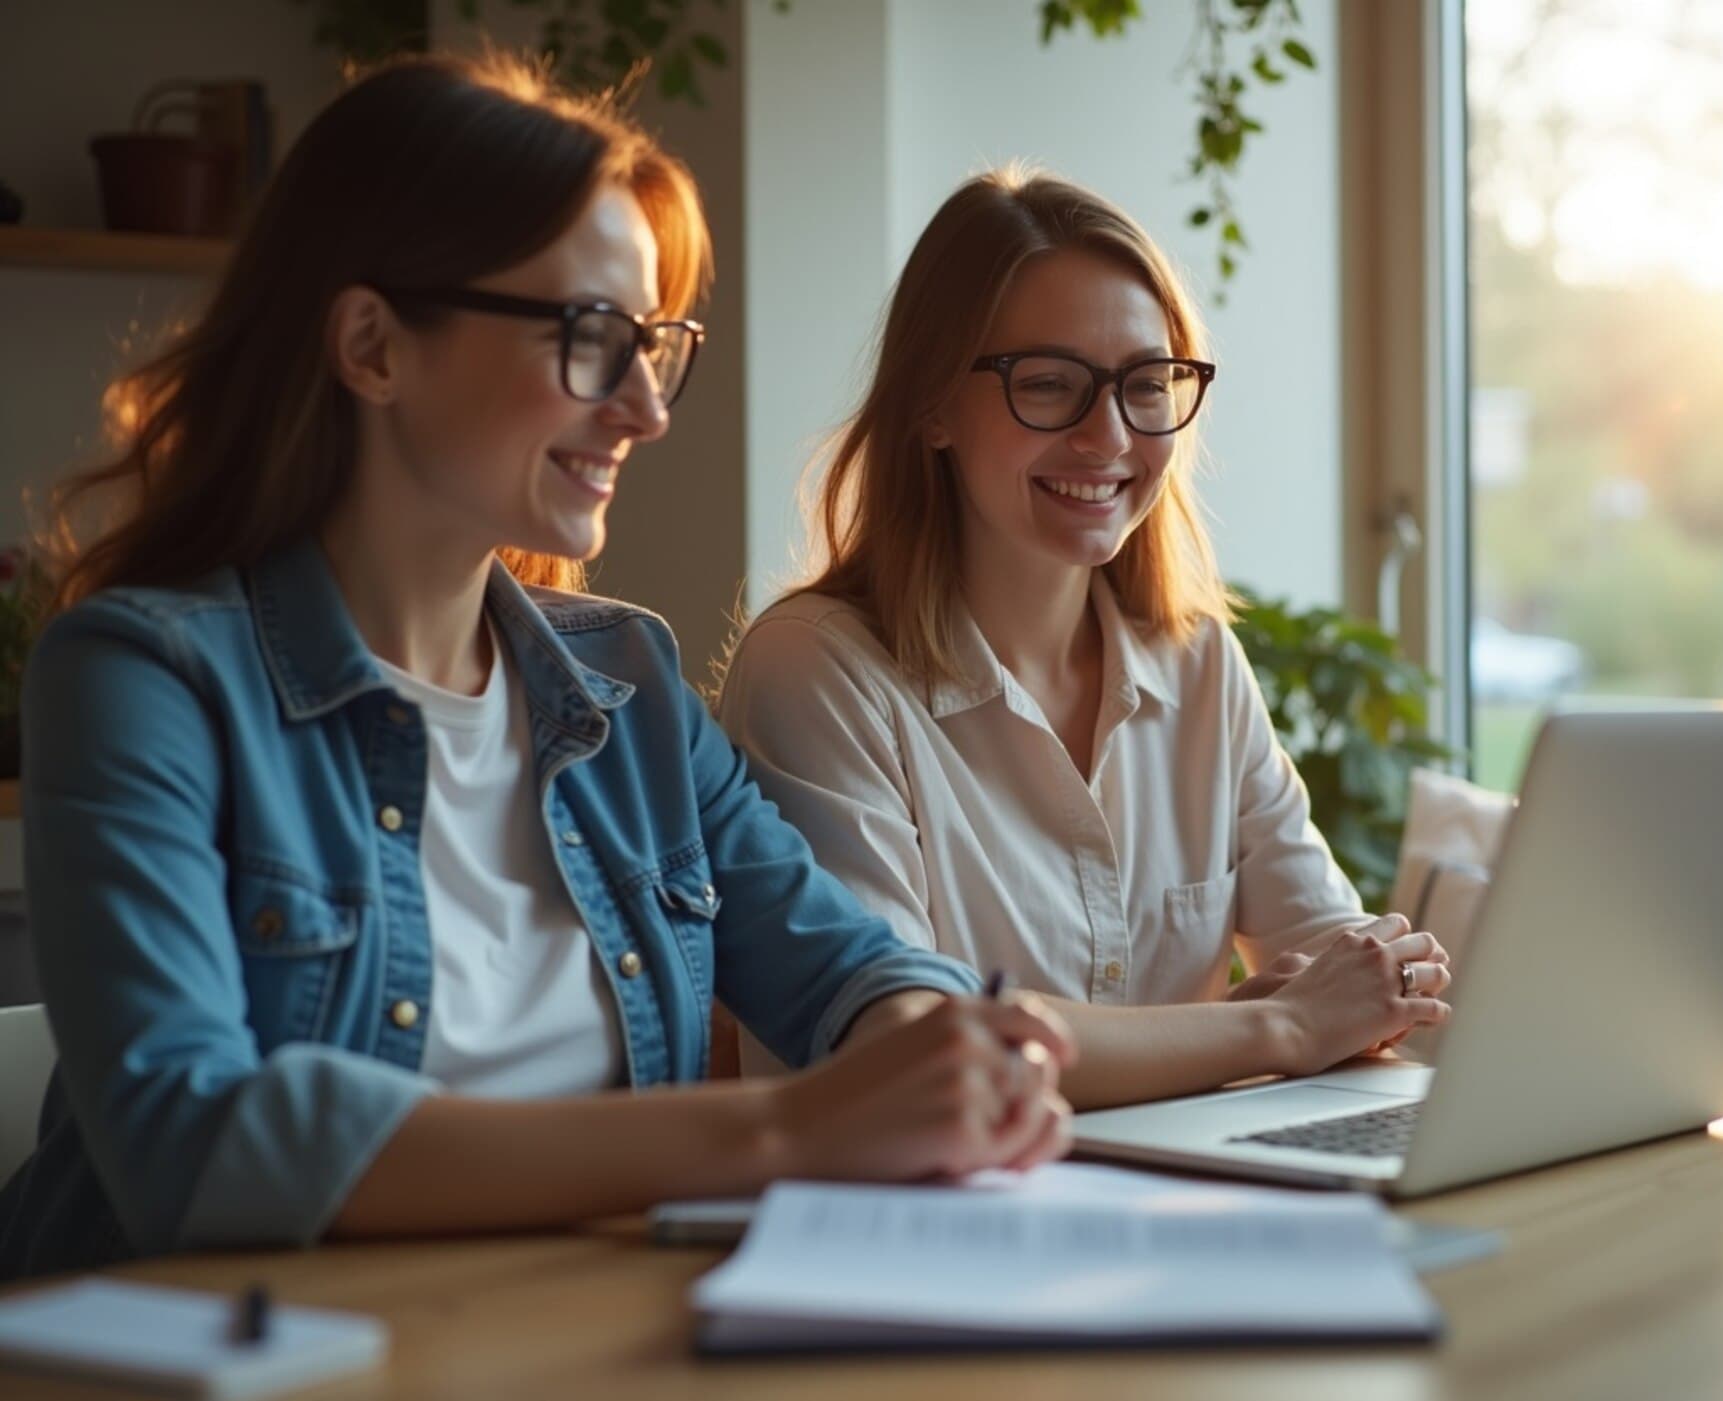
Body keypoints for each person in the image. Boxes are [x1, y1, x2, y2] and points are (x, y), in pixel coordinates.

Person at [0, 56, 1072, 1281]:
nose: (643, 409)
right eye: (588, 338)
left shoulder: (628, 685)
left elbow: (848, 964)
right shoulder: (143, 681)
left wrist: (931, 1051)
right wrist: (785, 1127)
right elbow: (193, 1141)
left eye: (655, 347)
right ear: (372, 345)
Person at [717, 168, 1451, 1107]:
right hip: (935, 1222)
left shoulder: (1198, 667)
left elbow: (1350, 982)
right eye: (1051, 384)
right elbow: (909, 1054)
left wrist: (1340, 1005)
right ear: (931, 407)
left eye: (1147, 385)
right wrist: (1271, 1026)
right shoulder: (819, 673)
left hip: (1183, 1208)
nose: (1108, 436)